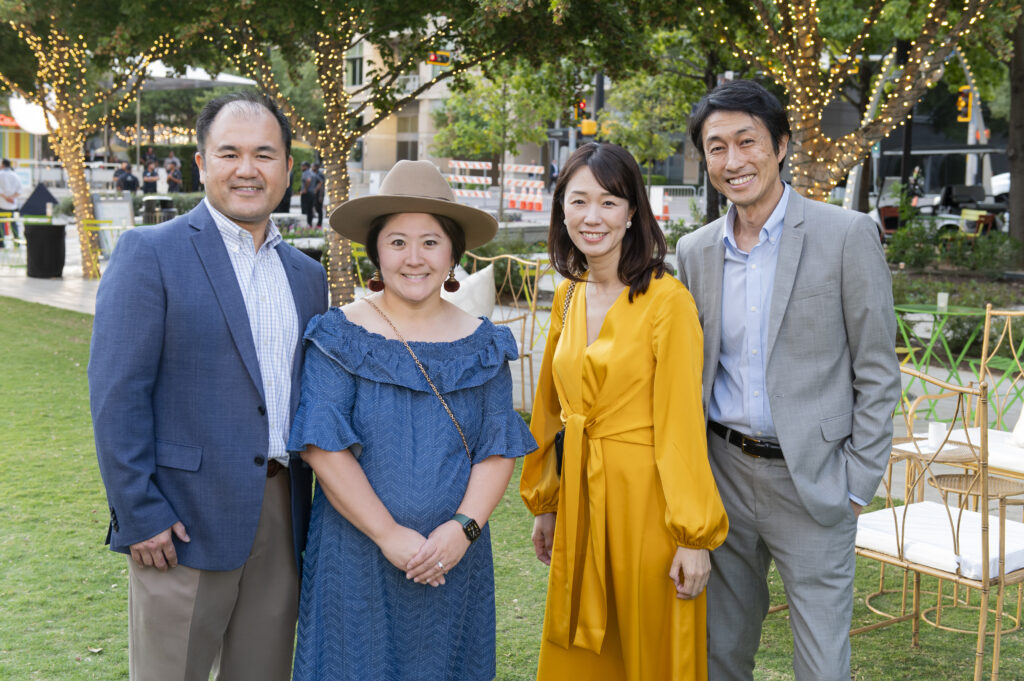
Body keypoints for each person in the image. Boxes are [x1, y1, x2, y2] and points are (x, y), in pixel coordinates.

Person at [89, 91, 329, 681]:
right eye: (230, 153)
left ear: (288, 168)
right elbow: (117, 394)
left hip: (283, 510)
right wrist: (137, 510)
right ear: (201, 164)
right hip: (180, 523)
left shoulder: (307, 276)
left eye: (265, 154)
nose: (248, 169)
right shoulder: (151, 254)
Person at [675, 80, 901, 681]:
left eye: (746, 141)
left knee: (823, 664)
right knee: (720, 653)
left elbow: (878, 372)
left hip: (815, 483)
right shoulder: (694, 251)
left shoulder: (846, 235)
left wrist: (857, 484)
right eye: (716, 147)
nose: (733, 161)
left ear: (779, 146)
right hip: (722, 472)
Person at [287, 159, 536, 681]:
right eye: (397, 241)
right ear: (376, 251)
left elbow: (496, 450)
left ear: (453, 253)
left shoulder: (484, 342)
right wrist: (387, 535)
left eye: (430, 241)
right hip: (357, 555)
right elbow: (323, 450)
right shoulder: (338, 333)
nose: (414, 258)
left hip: (454, 562)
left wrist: (462, 530)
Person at [521, 142, 729, 681]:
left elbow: (683, 424)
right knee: (583, 657)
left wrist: (691, 537)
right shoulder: (568, 294)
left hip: (648, 508)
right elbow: (550, 406)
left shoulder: (667, 302)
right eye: (579, 201)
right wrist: (547, 500)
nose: (592, 217)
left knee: (647, 649)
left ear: (633, 211)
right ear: (561, 208)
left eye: (610, 202)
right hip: (581, 501)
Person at [0, 158, 23, 247]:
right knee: (14, 223)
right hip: (12, 205)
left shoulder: (0, 174)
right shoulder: (15, 175)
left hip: (2, 204)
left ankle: (1, 243)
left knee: (1, 223)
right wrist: (11, 198)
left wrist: (6, 198)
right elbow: (20, 190)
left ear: (3, 165)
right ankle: (17, 242)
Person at [299, 161, 314, 226]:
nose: (301, 167)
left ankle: (305, 224)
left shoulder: (306, 173)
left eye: (303, 166)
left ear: (306, 167)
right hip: (312, 193)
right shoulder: (312, 172)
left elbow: (308, 180)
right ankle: (310, 223)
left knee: (305, 209)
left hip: (306, 194)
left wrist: (305, 189)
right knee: (310, 209)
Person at [311, 162, 325, 227]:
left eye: (313, 166)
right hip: (315, 195)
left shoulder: (319, 175)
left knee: (319, 209)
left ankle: (319, 223)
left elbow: (321, 183)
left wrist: (316, 190)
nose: (311, 168)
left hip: (319, 195)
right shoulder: (314, 173)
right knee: (315, 208)